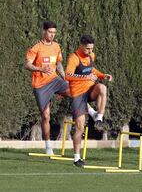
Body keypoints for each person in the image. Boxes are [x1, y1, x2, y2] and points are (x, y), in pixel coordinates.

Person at [65, 34, 112, 167]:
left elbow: (92, 70)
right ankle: (76, 158)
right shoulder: (74, 57)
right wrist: (85, 78)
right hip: (78, 94)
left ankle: (99, 117)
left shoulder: (91, 55)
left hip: (90, 90)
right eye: (87, 49)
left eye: (92, 49)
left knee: (102, 87)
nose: (90, 51)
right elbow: (68, 75)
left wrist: (102, 75)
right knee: (80, 126)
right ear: (81, 46)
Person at [24, 21, 71, 155]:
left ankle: (91, 111)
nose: (52, 35)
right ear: (44, 31)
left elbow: (59, 64)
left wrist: (64, 77)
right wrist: (40, 68)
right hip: (41, 85)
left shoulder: (56, 46)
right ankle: (48, 146)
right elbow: (27, 65)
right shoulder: (36, 47)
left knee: (75, 90)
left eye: (54, 33)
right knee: (45, 116)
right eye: (50, 32)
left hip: (55, 80)